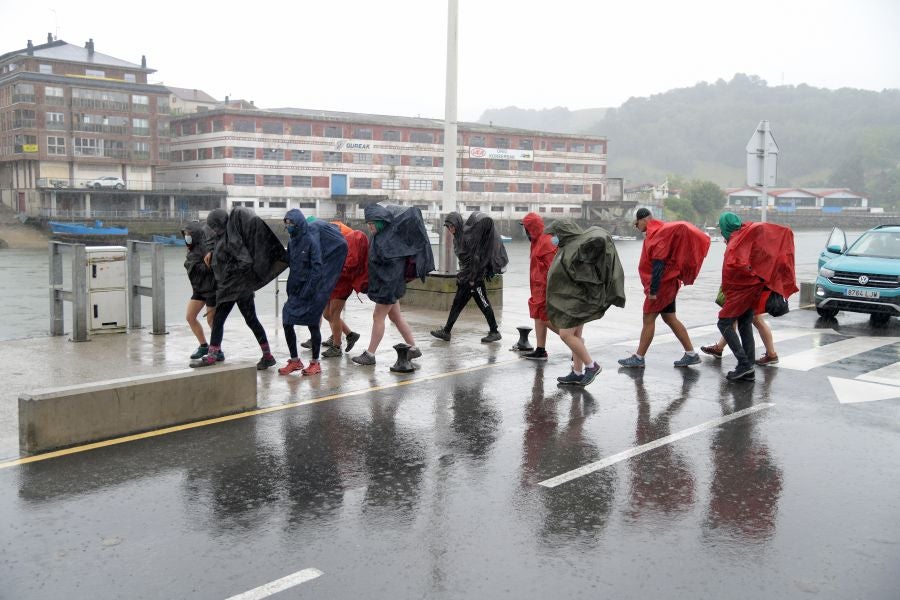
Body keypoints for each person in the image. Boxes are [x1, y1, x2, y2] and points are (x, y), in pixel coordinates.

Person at [190, 207, 288, 369]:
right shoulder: (223, 236)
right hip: (234, 289)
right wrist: (212, 252)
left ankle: (215, 356)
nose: (211, 230)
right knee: (232, 321)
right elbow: (220, 249)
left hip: (237, 289)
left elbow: (245, 261)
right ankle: (266, 355)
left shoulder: (232, 240)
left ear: (218, 225)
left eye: (213, 226)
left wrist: (228, 270)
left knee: (236, 321)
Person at [618, 208, 710, 368]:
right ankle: (691, 354)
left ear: (644, 220)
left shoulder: (657, 235)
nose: (636, 226)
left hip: (662, 285)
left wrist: (653, 290)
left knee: (648, 319)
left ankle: (639, 358)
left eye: (637, 223)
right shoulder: (659, 231)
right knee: (670, 318)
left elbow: (658, 264)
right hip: (668, 283)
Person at [716, 212, 797, 381]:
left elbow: (738, 266)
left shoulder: (735, 244)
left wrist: (740, 284)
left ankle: (744, 364)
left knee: (724, 322)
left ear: (725, 228)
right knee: (745, 323)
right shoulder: (744, 236)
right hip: (753, 290)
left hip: (740, 291)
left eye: (721, 228)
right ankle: (749, 368)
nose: (720, 232)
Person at [544, 220, 626, 386]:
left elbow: (582, 275)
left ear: (563, 233)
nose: (553, 238)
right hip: (576, 299)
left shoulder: (575, 249)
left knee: (565, 335)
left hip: (576, 301)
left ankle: (591, 366)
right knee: (576, 337)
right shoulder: (568, 247)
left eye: (555, 234)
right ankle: (577, 372)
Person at [352, 203, 435, 366]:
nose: (369, 227)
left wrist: (382, 289)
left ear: (380, 222)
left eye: (372, 223)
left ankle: (370, 354)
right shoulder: (384, 235)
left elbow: (390, 266)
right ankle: (413, 348)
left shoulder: (387, 239)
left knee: (378, 317)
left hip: (389, 285)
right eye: (368, 224)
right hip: (392, 285)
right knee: (395, 316)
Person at [277, 209, 348, 376]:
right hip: (295, 290)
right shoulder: (292, 242)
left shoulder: (310, 240)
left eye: (291, 223)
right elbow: (290, 262)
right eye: (286, 224)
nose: (288, 226)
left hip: (311, 292)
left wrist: (309, 289)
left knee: (313, 325)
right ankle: (295, 360)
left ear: (298, 223)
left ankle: (315, 363)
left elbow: (317, 267)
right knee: (287, 321)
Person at [430, 211, 507, 343]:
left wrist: (472, 279)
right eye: (448, 226)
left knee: (483, 304)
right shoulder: (457, 238)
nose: (450, 229)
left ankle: (494, 331)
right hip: (465, 279)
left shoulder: (467, 238)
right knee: (457, 305)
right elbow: (464, 261)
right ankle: (447, 331)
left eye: (451, 226)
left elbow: (475, 259)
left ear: (457, 224)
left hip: (473, 280)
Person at [318, 220, 367, 358]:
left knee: (334, 314)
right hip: (332, 283)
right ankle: (350, 335)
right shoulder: (334, 242)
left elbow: (349, 265)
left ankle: (337, 346)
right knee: (327, 314)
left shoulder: (350, 241)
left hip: (342, 285)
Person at [520, 212, 558, 360]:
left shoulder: (546, 242)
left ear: (531, 228)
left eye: (526, 227)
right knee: (537, 316)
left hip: (544, 288)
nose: (525, 230)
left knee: (543, 318)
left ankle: (574, 341)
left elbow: (553, 268)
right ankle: (541, 349)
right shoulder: (536, 241)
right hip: (537, 288)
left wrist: (551, 290)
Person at [181, 220, 219, 361]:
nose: (187, 236)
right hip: (198, 289)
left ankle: (217, 349)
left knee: (211, 321)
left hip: (211, 290)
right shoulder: (190, 249)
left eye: (189, 234)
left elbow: (212, 267)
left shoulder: (205, 249)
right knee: (190, 317)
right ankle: (203, 345)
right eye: (185, 234)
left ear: (195, 235)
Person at [700, 312, 779, 366]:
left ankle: (769, 355)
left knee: (732, 320)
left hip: (745, 295)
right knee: (755, 319)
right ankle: (719, 349)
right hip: (751, 294)